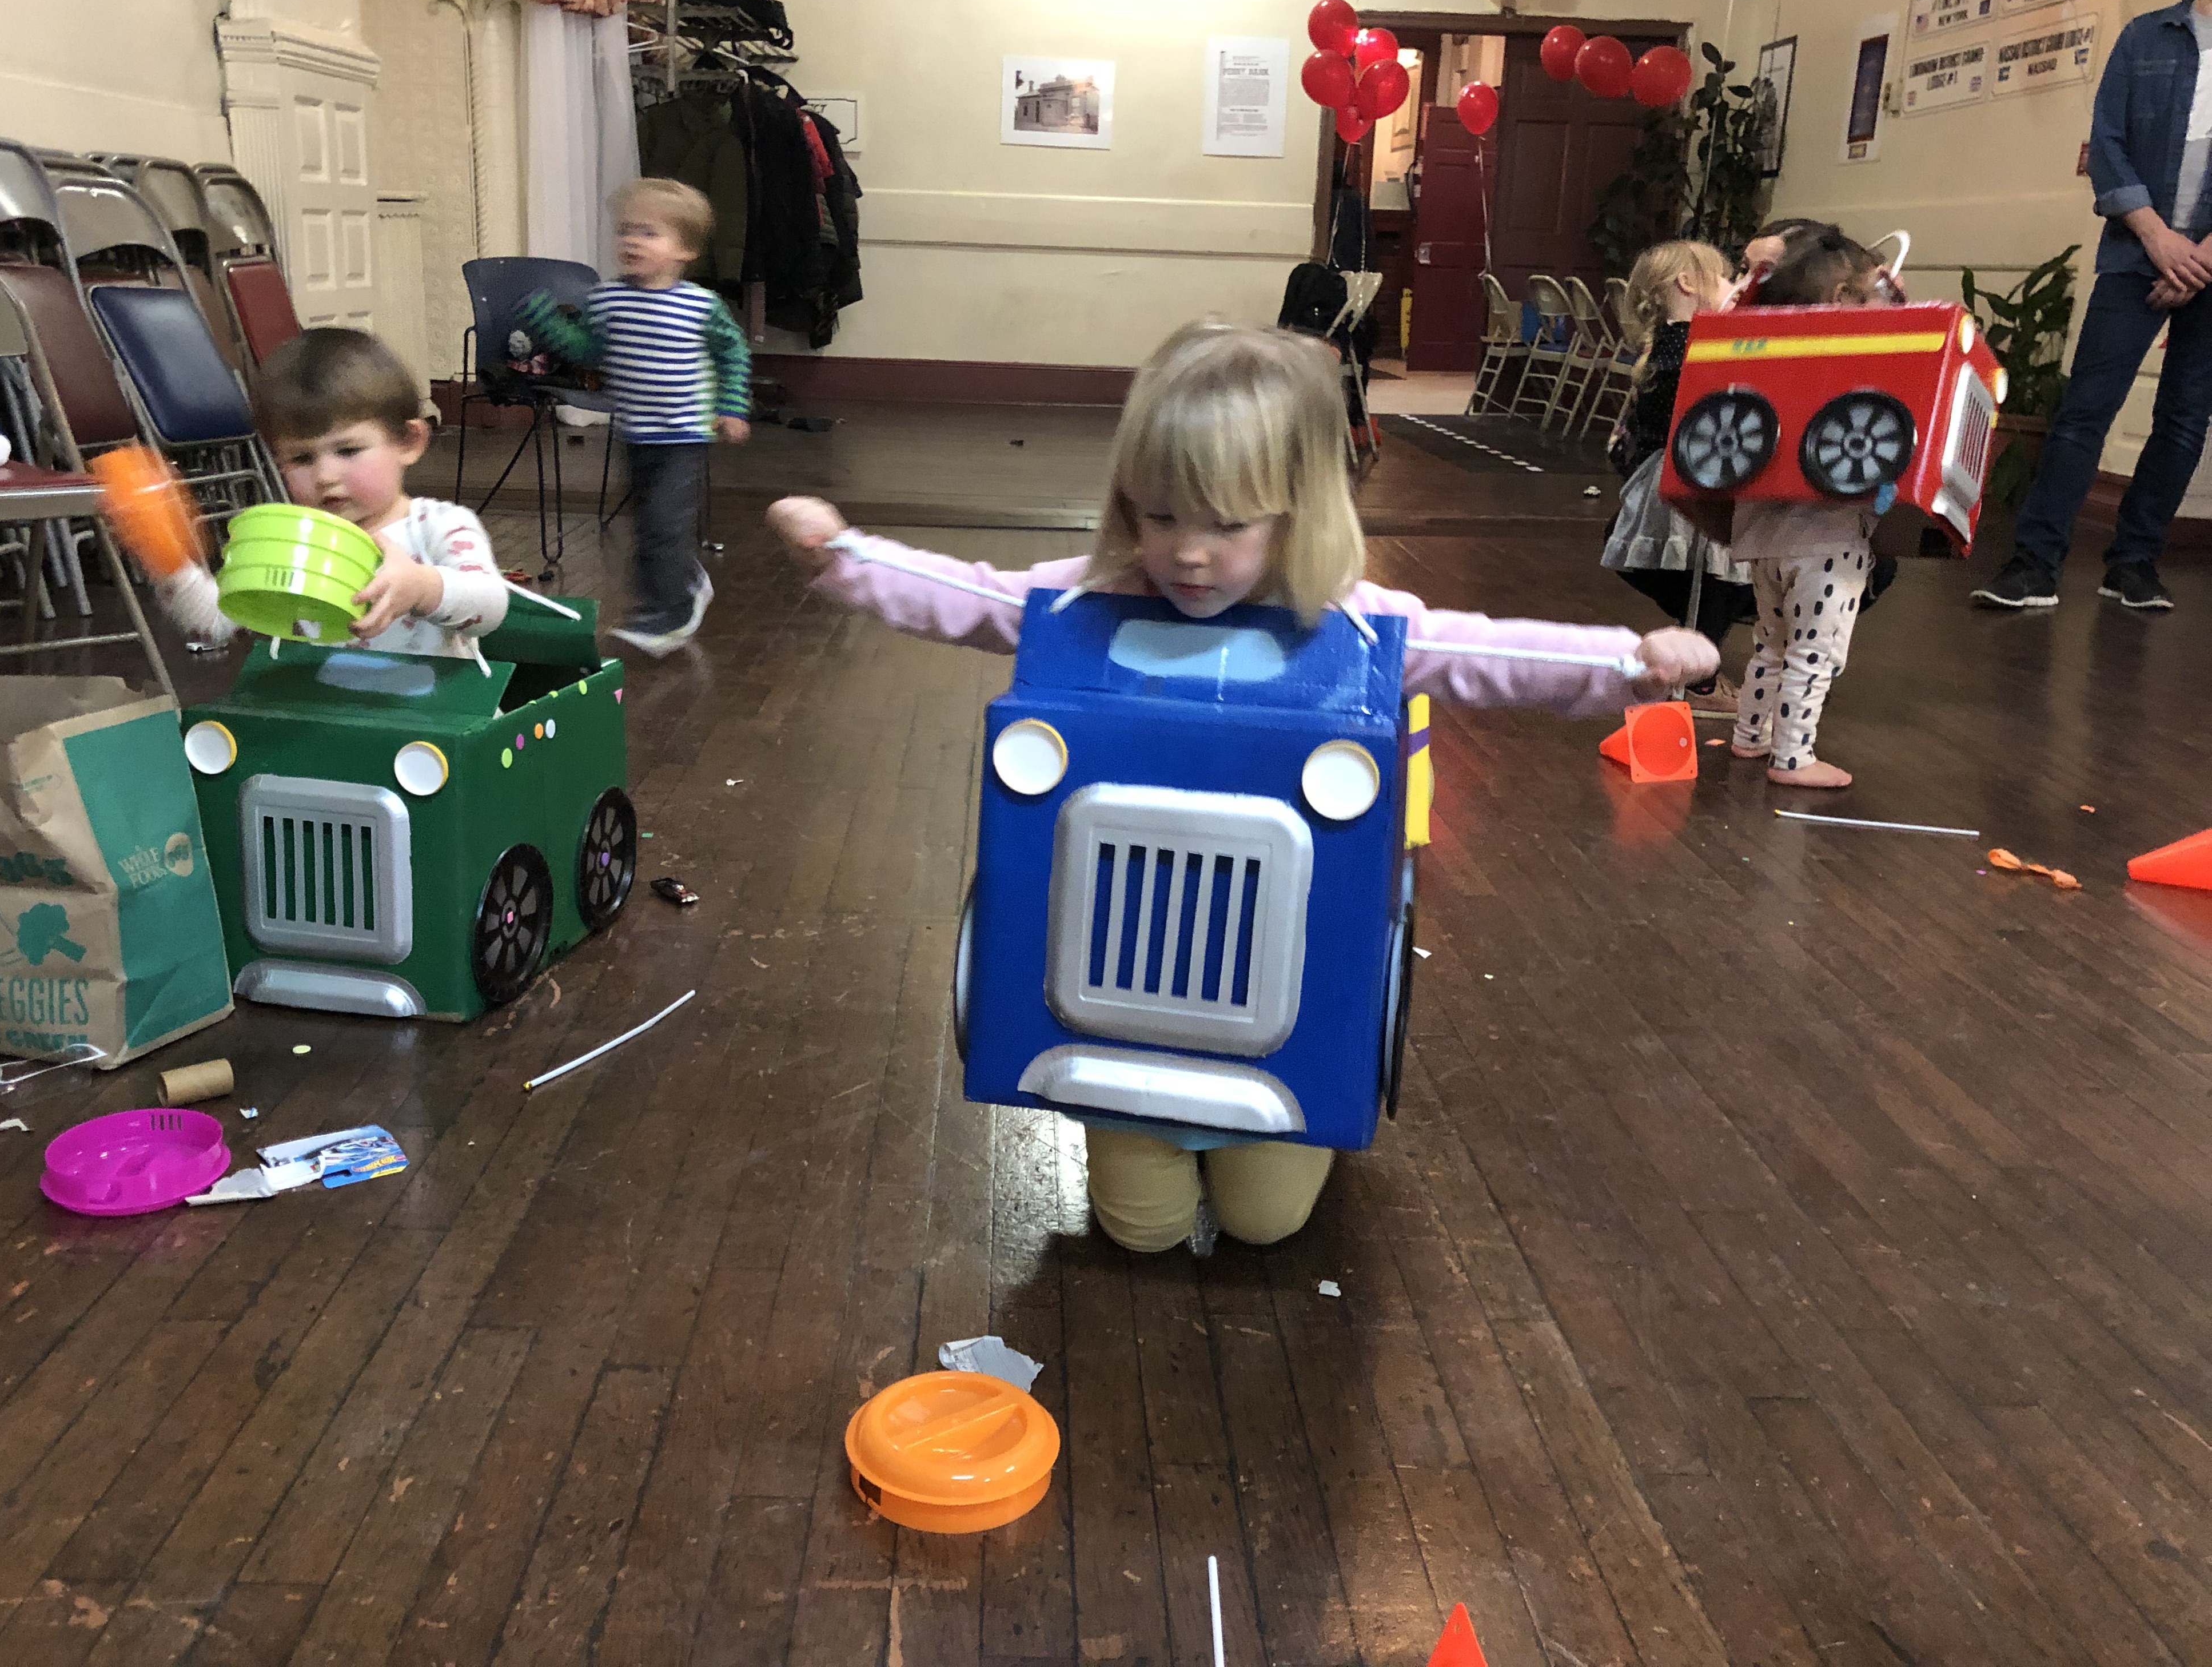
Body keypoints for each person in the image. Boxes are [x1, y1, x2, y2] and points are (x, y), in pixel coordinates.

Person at [764, 322, 1717, 1254]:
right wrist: (846, 559)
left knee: (1267, 1223)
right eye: (1161, 515)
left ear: (1297, 512)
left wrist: (1627, 665)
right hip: (1113, 1000)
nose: (1188, 552)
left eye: (1227, 523)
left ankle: (1285, 1131)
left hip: (1282, 1000)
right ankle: (1140, 1123)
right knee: (1142, 1230)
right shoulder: (1094, 598)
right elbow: (973, 595)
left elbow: (1483, 654)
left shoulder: (1349, 623)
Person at [1974, 0, 2212, 615]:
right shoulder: (2145, 38)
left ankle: (2134, 565)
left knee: (2184, 421)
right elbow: (2108, 144)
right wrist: (2159, 239)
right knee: (2084, 414)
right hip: (2138, 251)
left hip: (2209, 268)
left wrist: (2198, 261)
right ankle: (2034, 565)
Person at [156, 328, 507, 659]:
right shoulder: (295, 540)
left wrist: (423, 588)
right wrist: (167, 560)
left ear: (408, 442)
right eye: (301, 459)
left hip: (438, 702)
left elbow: (491, 607)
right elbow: (220, 619)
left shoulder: (438, 525)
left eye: (348, 451)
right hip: (333, 701)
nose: (324, 476)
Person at [1728, 233, 1890, 790]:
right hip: (1828, 542)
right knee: (1814, 654)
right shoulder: (1858, 364)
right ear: (1843, 297)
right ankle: (1793, 757)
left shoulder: (1771, 352)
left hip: (1763, 536)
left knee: (1770, 645)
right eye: (1870, 296)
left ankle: (1751, 736)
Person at [569, 177, 752, 655]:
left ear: (684, 250)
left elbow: (732, 354)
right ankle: (683, 582)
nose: (632, 241)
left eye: (649, 233)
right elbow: (588, 352)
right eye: (626, 230)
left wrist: (732, 406)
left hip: (684, 435)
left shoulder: (700, 305)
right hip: (635, 433)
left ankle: (669, 615)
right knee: (650, 524)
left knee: (664, 524)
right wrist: (550, 328)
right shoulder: (606, 300)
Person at [1601, 240, 1752, 713]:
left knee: (1712, 580)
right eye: (1723, 276)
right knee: (1715, 575)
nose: (1731, 285)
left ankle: (1697, 661)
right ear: (1688, 283)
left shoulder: (1670, 343)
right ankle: (1698, 681)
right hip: (1690, 476)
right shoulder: (1692, 345)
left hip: (1674, 474)